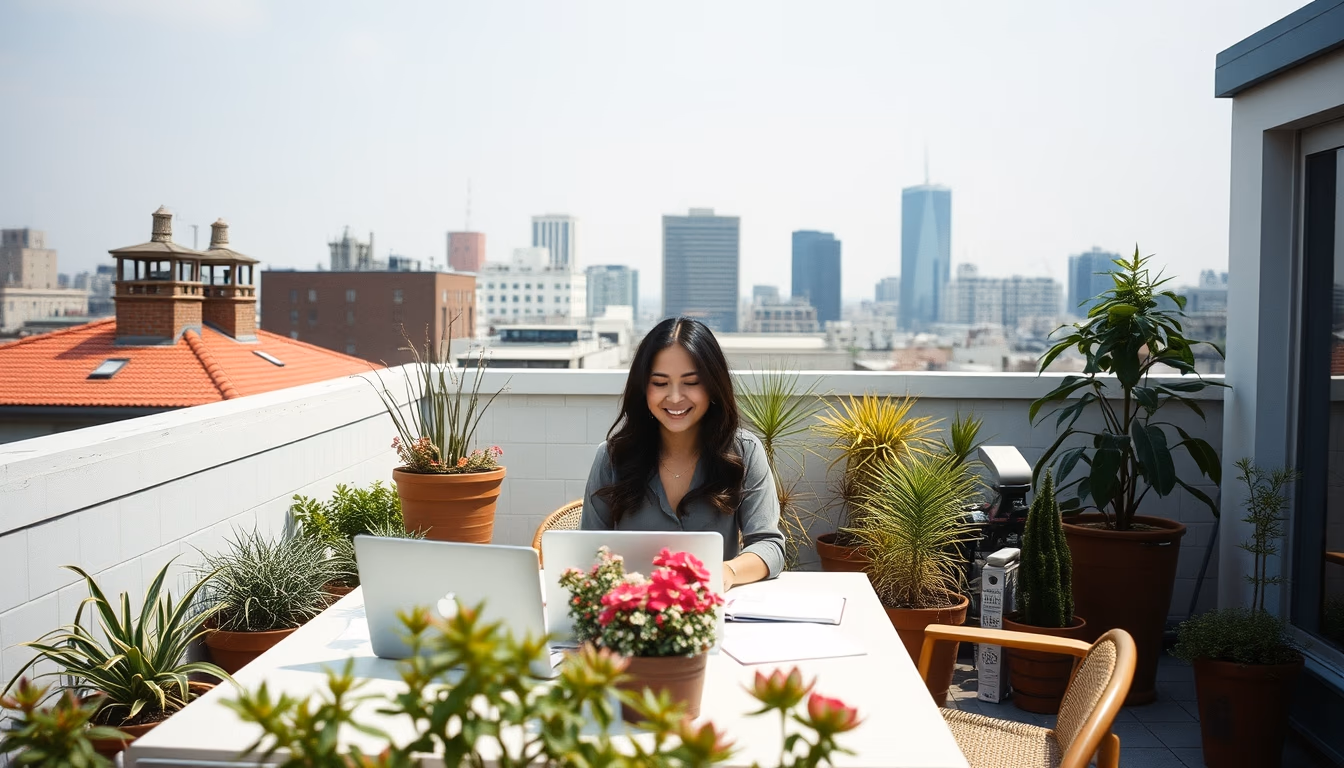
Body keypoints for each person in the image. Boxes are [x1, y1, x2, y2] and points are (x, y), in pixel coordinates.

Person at [581, 316, 785, 591]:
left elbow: (769, 545)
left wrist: (728, 571)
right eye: (660, 383)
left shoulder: (744, 452)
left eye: (691, 382)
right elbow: (587, 550)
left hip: (710, 613)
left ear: (712, 385)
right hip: (629, 616)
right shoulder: (611, 458)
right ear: (643, 388)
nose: (675, 397)